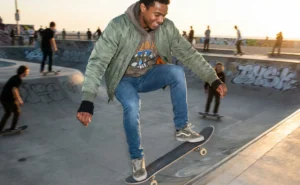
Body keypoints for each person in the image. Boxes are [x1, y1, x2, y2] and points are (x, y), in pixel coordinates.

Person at [76, 0, 227, 182]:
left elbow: (188, 53)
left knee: (176, 72)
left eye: (164, 15)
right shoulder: (118, 26)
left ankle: (182, 128)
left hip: (148, 75)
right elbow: (98, 61)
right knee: (132, 105)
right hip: (123, 80)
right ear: (143, 7)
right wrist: (87, 99)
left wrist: (212, 78)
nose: (161, 20)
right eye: (157, 14)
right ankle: (137, 158)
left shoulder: (167, 28)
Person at [0, 66, 30, 133]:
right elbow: (14, 90)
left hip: (2, 98)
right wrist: (19, 100)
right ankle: (12, 128)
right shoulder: (19, 79)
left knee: (7, 113)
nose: (28, 73)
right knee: (17, 112)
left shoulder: (14, 77)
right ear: (23, 72)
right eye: (27, 72)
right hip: (9, 99)